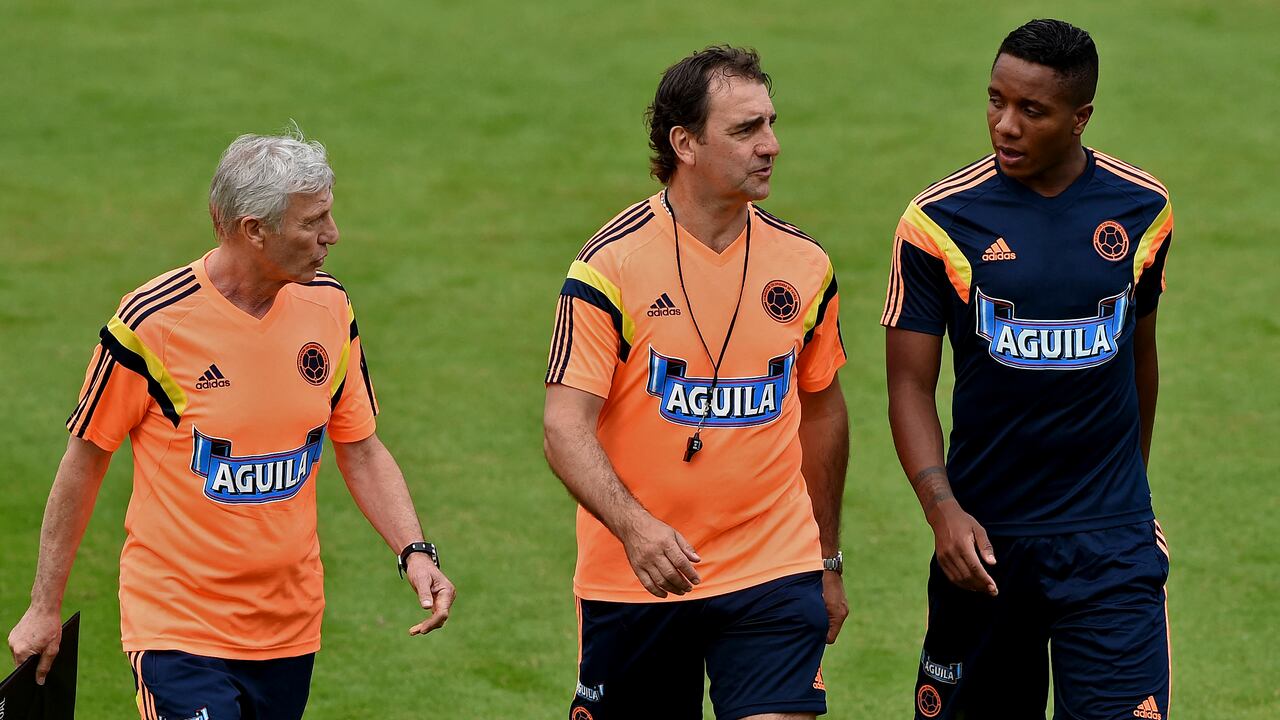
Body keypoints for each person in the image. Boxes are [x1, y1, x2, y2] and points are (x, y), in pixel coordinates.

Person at [7, 130, 455, 720]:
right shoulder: (153, 324)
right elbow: (85, 460)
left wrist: (414, 551)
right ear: (254, 230)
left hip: (289, 628)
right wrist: (44, 606)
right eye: (312, 221)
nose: (332, 235)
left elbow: (361, 447)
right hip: (177, 626)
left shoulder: (329, 308)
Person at [543, 46, 850, 720]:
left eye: (770, 124)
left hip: (772, 565)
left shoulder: (805, 265)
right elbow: (563, 424)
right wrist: (634, 529)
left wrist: (827, 559)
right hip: (638, 576)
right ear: (685, 142)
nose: (770, 145)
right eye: (745, 130)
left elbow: (823, 409)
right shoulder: (609, 266)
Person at [883, 19, 1174, 720]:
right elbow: (908, 386)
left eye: (1030, 111)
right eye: (995, 101)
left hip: (1110, 546)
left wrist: (1127, 494)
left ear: (1080, 118)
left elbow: (1139, 354)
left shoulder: (1142, 211)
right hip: (984, 546)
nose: (1004, 126)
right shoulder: (938, 222)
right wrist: (942, 510)